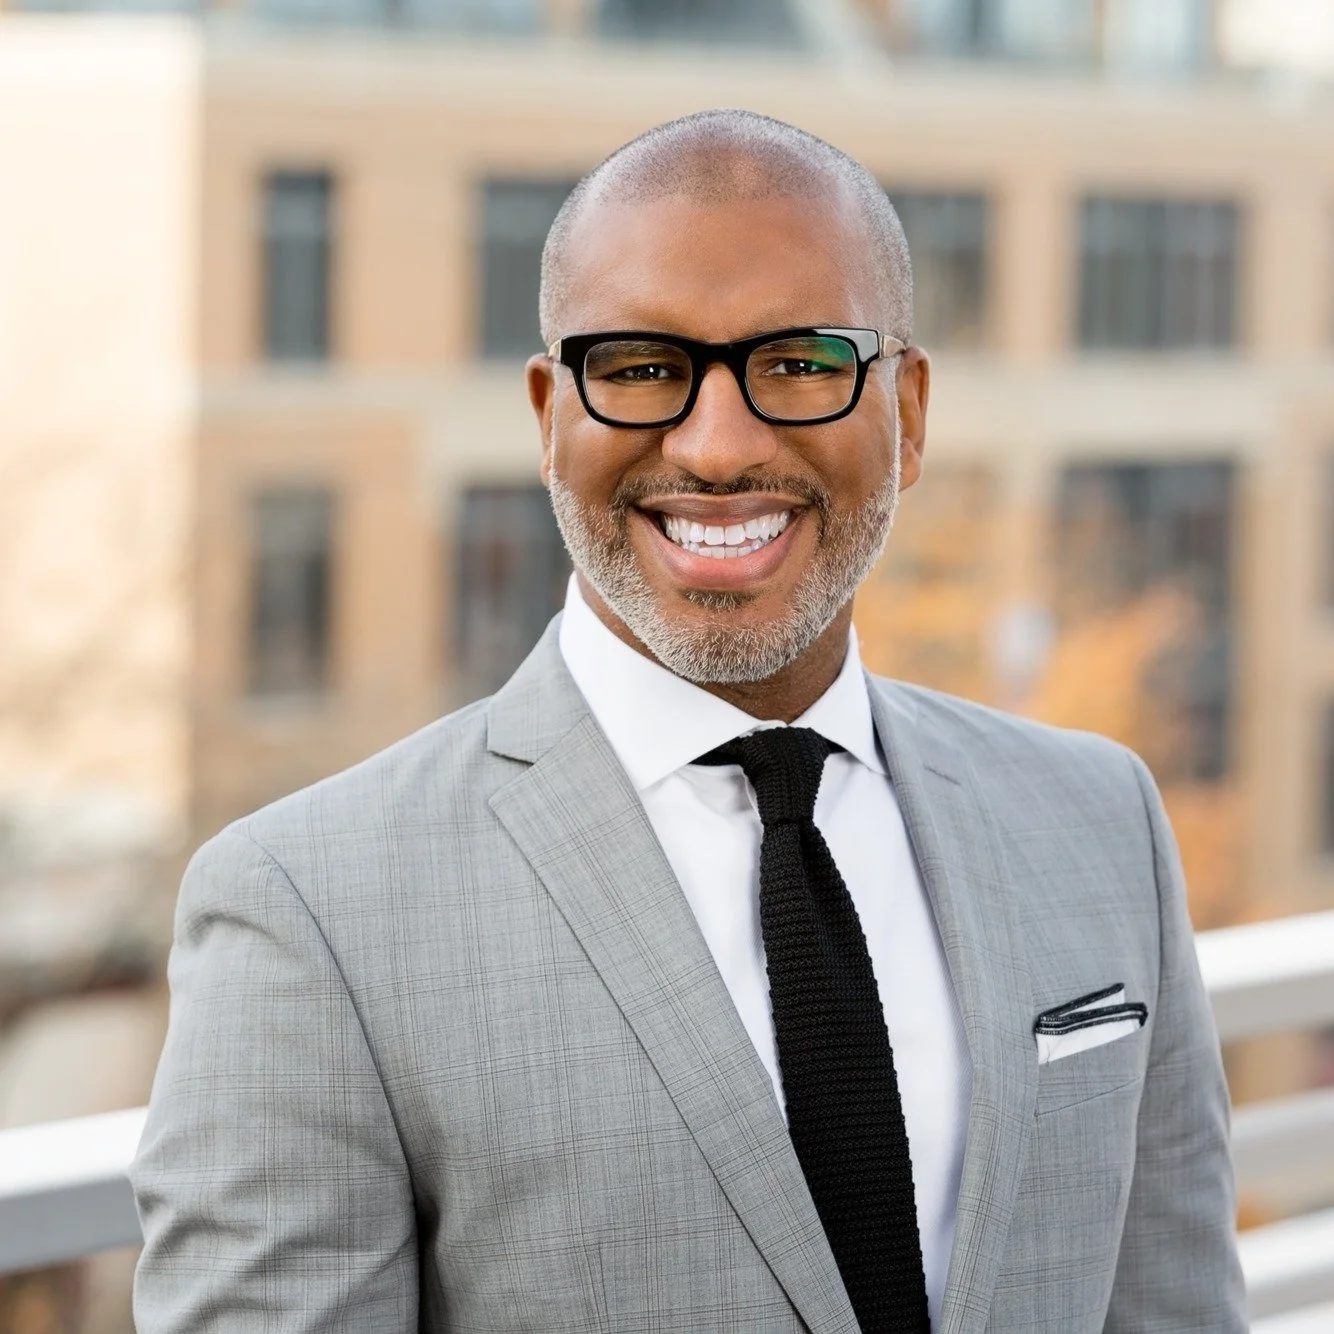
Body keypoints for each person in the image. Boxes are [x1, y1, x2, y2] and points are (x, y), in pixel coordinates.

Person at [130, 110, 1246, 1332]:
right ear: (550, 411)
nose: (718, 446)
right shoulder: (308, 911)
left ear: (908, 413)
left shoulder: (1098, 821)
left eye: (802, 361)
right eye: (641, 365)